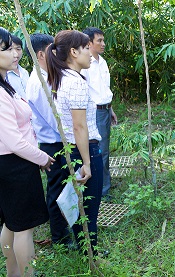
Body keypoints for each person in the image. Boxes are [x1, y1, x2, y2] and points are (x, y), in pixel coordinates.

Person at [0, 27, 53, 277]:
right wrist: (42, 158)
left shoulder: (6, 85)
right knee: (23, 229)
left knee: (11, 226)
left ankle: (13, 273)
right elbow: (14, 141)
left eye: (15, 48)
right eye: (7, 49)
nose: (15, 54)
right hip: (15, 165)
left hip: (15, 163)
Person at [46, 30, 103, 255]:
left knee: (81, 205)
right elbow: (80, 126)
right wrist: (87, 163)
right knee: (89, 207)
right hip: (84, 149)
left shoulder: (62, 77)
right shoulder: (75, 82)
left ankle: (85, 250)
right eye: (86, 48)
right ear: (73, 52)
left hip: (71, 148)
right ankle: (91, 255)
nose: (90, 53)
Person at [25, 33, 73, 246]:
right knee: (56, 191)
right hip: (53, 144)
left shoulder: (46, 75)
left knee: (63, 188)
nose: (57, 54)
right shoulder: (39, 82)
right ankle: (60, 238)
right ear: (41, 54)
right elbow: (56, 121)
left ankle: (64, 231)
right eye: (53, 50)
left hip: (58, 141)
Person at [81, 27, 117, 199]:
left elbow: (104, 89)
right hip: (93, 113)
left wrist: (110, 108)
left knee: (104, 150)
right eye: (99, 41)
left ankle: (103, 187)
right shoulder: (84, 64)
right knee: (99, 151)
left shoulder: (102, 61)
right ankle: (102, 192)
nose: (103, 44)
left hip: (104, 109)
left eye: (103, 40)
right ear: (89, 43)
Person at [6, 34, 30, 99]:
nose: (16, 54)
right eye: (10, 49)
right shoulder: (4, 76)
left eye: (18, 49)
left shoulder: (24, 72)